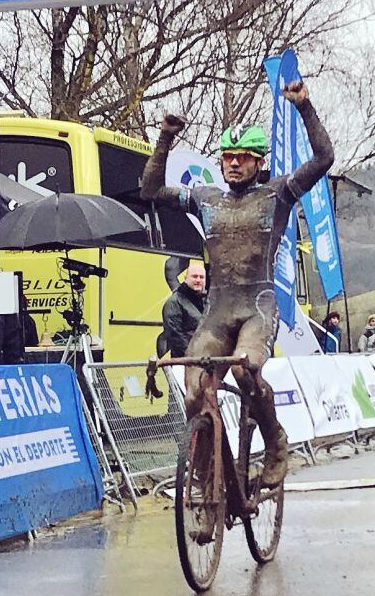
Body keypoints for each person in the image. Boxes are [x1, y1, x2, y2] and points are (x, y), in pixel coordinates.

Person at [141, 79, 333, 491]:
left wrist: (304, 106)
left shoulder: (278, 192)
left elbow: (323, 159)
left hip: (257, 309)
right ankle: (213, 473)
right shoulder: (206, 198)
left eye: (243, 158)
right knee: (194, 393)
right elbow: (150, 190)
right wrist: (165, 138)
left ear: (258, 163)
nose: (233, 164)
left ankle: (275, 441)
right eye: (228, 157)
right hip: (217, 312)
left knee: (247, 374)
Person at [161, 263, 207, 358]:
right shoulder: (174, 302)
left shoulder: (207, 301)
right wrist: (194, 356)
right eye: (194, 276)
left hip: (205, 360)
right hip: (184, 362)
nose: (198, 280)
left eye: (201, 277)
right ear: (185, 278)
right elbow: (175, 336)